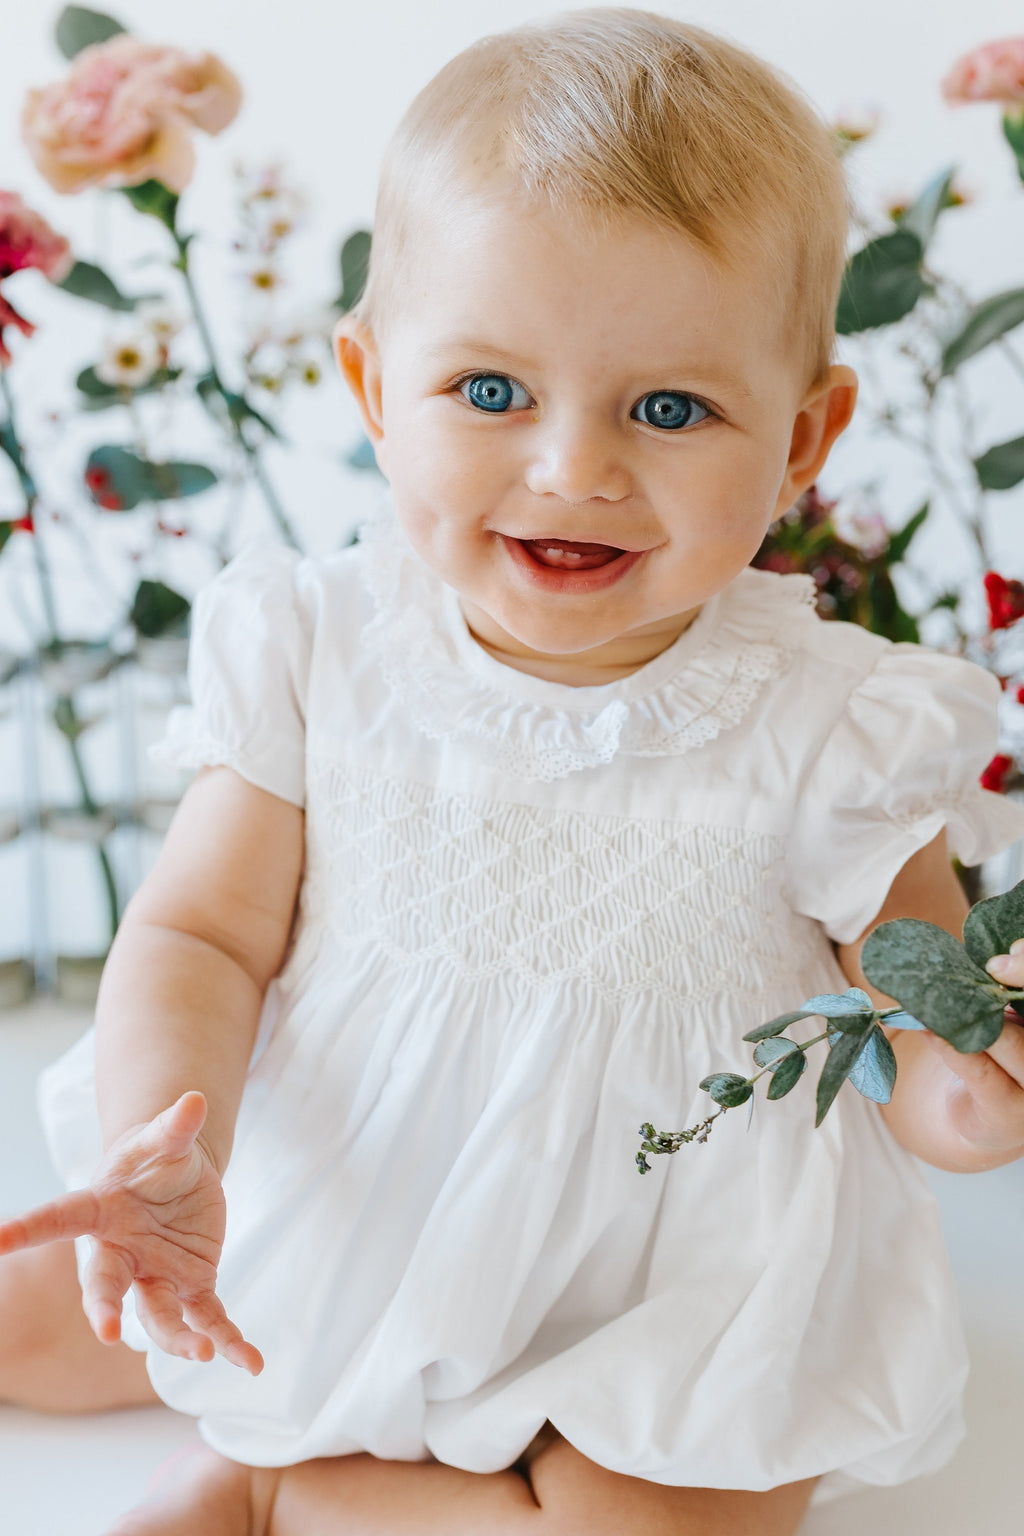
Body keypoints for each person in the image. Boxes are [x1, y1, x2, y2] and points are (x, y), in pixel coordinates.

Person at [4, 9, 1024, 1534]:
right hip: (351, 1194)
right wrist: (178, 1140)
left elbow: (909, 979)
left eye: (670, 409)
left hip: (665, 1279)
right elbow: (201, 934)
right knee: (41, 1310)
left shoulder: (837, 719)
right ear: (369, 384)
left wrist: (966, 1089)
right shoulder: (316, 641)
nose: (573, 468)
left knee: (651, 1525)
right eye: (489, 392)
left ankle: (285, 1481)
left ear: (806, 435)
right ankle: (298, 1396)